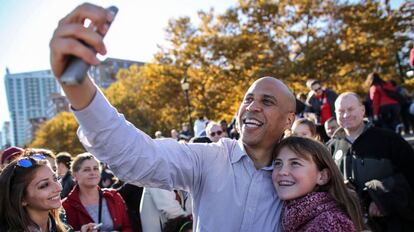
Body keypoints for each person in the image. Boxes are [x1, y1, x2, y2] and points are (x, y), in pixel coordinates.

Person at [49, 3, 296, 231]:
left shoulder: (304, 173)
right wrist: (77, 87)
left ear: (288, 120)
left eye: (267, 101)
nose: (252, 107)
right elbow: (137, 157)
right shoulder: (208, 159)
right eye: (248, 99)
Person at [329, 92, 414, 231]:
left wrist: (382, 199)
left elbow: (410, 175)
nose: (345, 115)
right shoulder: (330, 147)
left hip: (392, 224)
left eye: (350, 109)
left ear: (362, 110)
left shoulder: (389, 139)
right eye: (341, 111)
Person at [272, 136, 364, 231]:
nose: (282, 171)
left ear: (323, 176)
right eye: (278, 163)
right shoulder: (290, 217)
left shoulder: (330, 224)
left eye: (295, 163)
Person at [0, 148, 97, 232]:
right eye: (44, 185)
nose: (59, 188)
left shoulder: (60, 224)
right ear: (22, 198)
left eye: (55, 179)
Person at [62, 153, 132, 231]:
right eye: (86, 170)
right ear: (74, 175)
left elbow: (127, 227)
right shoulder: (65, 206)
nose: (92, 173)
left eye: (95, 168)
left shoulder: (113, 196)